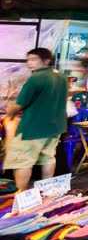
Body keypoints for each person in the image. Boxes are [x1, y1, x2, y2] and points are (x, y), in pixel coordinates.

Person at [3, 48, 67, 190]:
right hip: (55, 126)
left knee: (23, 161)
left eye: (33, 59)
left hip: (33, 127)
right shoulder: (61, 77)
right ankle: (47, 189)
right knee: (48, 158)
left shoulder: (36, 78)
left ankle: (22, 193)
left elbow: (19, 105)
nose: (29, 63)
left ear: (46, 60)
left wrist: (9, 114)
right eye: (28, 60)